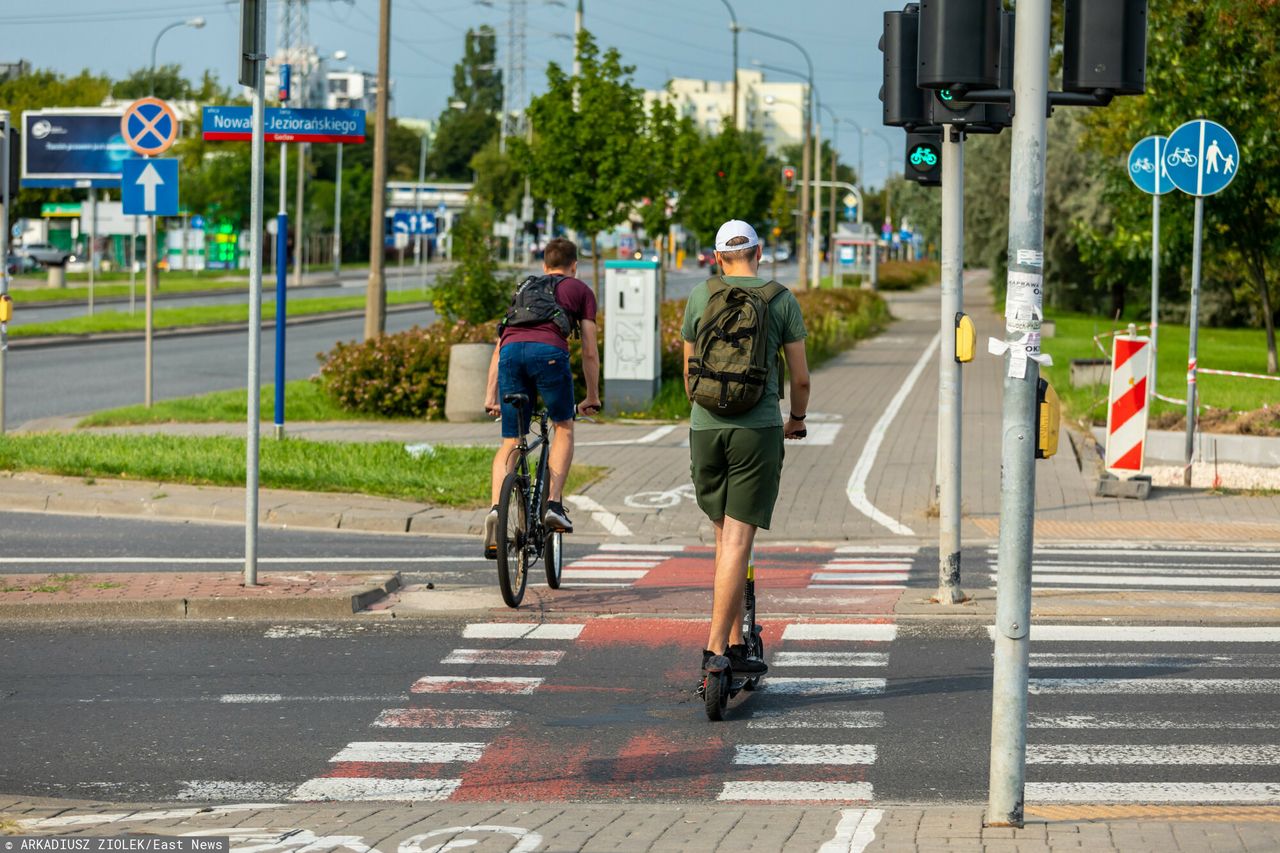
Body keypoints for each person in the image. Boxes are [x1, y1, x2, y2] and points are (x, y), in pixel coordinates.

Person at [683, 220, 810, 683]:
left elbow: (689, 372)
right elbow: (800, 377)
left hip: (706, 428)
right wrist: (796, 419)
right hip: (756, 429)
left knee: (724, 541)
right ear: (759, 252)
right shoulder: (780, 299)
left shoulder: (701, 295)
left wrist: (706, 415)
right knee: (739, 541)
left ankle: (736, 643)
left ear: (718, 258)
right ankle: (716, 650)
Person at [483, 238, 601, 558]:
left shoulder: (523, 289)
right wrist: (592, 395)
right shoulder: (579, 290)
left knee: (510, 441)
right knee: (563, 425)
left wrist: (490, 396)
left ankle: (496, 509)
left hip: (509, 356)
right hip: (548, 354)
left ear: (544, 265)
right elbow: (589, 350)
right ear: (574, 266)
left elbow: (500, 346)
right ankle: (553, 505)